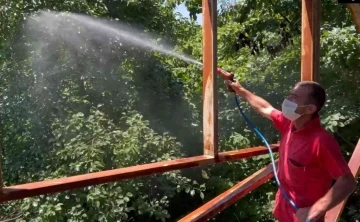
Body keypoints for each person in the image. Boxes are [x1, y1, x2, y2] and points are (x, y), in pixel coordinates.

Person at [226, 80, 357, 222]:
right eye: (290, 95)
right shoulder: (289, 124)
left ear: (310, 109)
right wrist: (240, 90)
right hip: (283, 213)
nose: (288, 100)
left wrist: (315, 210)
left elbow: (347, 182)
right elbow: (265, 108)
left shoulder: (321, 141)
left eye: (294, 98)